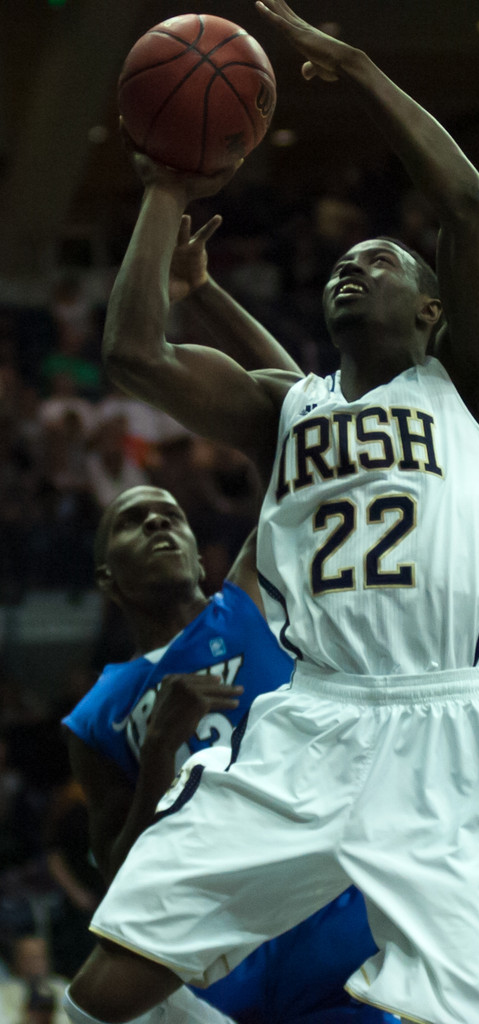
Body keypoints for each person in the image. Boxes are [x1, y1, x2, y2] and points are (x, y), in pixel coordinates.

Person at [65, 2, 479, 1023]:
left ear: (433, 311)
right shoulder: (288, 409)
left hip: (445, 723)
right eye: (340, 262)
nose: (350, 265)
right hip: (309, 723)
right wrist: (163, 189)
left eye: (380, 259)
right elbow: (134, 354)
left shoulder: (472, 395)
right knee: (104, 989)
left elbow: (467, 207)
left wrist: (355, 67)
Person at [62, 230, 393, 1024]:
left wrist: (206, 293)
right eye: (135, 521)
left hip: (325, 907)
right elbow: (116, 880)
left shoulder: (247, 598)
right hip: (214, 947)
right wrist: (154, 757)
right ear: (107, 579)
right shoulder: (96, 716)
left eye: (171, 515)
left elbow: (301, 426)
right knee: (91, 1005)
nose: (161, 524)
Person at [0, 934, 71, 1024]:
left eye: (39, 957)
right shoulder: (4, 992)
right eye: (28, 957)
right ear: (17, 960)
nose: (35, 963)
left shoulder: (63, 988)